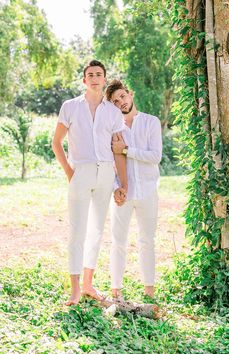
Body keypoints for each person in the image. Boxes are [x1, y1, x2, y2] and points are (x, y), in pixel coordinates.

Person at [52, 61, 127, 306]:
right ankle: (74, 289)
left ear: (104, 80)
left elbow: (118, 151)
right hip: (80, 172)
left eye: (99, 75)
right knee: (77, 232)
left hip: (105, 173)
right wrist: (70, 173)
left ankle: (87, 284)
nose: (94, 78)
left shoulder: (113, 113)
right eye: (90, 75)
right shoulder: (70, 107)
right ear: (84, 80)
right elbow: (57, 143)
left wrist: (120, 182)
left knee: (96, 231)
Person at [106, 79, 162, 299]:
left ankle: (149, 291)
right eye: (115, 101)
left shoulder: (151, 122)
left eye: (122, 96)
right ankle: (116, 291)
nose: (120, 102)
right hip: (123, 193)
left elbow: (155, 157)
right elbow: (109, 161)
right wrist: (114, 188)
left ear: (130, 94)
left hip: (148, 191)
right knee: (118, 241)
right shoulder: (113, 130)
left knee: (147, 241)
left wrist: (127, 150)